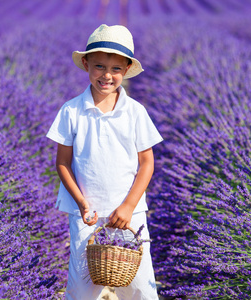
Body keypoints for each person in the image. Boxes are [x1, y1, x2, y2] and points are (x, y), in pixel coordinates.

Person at [46, 24, 163, 300]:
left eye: (116, 69)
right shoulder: (71, 110)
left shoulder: (135, 112)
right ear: (86, 64)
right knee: (81, 289)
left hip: (129, 214)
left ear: (126, 70)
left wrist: (128, 206)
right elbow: (63, 163)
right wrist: (82, 204)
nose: (107, 75)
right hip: (88, 215)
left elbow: (147, 163)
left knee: (140, 289)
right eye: (99, 66)